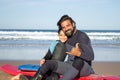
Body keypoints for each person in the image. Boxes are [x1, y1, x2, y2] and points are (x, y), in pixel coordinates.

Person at [12, 15, 95, 80]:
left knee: (78, 61)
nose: (66, 29)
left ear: (73, 24)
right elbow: (55, 48)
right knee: (48, 63)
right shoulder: (67, 37)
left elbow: (91, 56)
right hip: (70, 66)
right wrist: (44, 58)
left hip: (84, 68)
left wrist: (78, 53)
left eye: (68, 25)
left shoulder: (82, 36)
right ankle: (34, 78)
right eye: (63, 27)